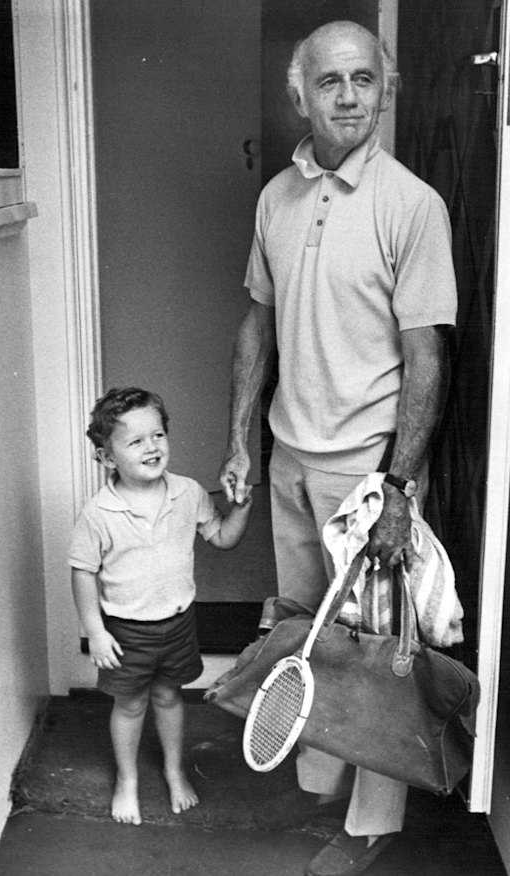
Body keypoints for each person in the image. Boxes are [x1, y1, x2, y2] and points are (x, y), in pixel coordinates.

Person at [220, 20, 457, 876]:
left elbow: (428, 354)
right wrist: (242, 437)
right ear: (301, 95)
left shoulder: (412, 205)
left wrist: (399, 487)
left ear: (385, 89)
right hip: (288, 455)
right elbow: (258, 323)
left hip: (368, 471)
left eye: (364, 80)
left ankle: (370, 830)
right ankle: (319, 783)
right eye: (332, 83)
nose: (350, 97)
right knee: (301, 627)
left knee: (373, 652)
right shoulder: (276, 199)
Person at [69, 386, 252, 825]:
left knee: (170, 697)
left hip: (177, 624)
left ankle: (173, 771)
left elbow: (223, 538)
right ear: (107, 458)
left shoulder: (187, 493)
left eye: (158, 435)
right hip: (125, 630)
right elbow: (82, 572)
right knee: (129, 704)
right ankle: (127, 780)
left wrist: (241, 507)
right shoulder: (99, 512)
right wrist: (95, 631)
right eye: (135, 441)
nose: (151, 447)